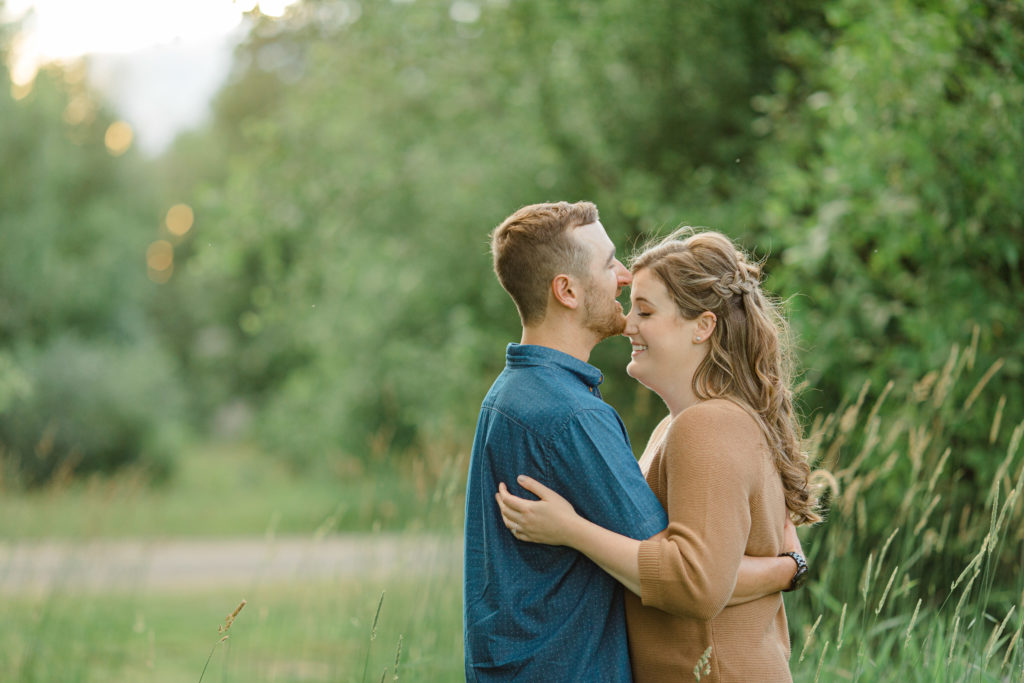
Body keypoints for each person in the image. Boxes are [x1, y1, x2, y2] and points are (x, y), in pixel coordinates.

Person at [466, 205, 804, 681]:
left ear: (703, 326)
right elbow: (686, 566)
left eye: (647, 310)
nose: (628, 314)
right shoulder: (665, 425)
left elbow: (691, 579)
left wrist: (572, 530)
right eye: (610, 265)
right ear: (565, 290)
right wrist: (787, 568)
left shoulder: (705, 426)